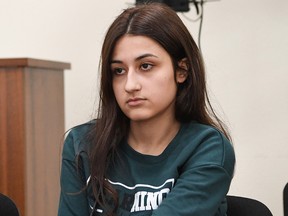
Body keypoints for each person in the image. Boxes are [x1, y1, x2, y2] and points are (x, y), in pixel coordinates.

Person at [58, 2, 235, 216]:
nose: (130, 85)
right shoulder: (82, 144)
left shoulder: (208, 148)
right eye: (119, 70)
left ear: (182, 70)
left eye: (146, 66)